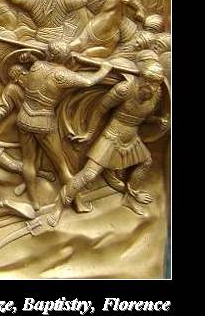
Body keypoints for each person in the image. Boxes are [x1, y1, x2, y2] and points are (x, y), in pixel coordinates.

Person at [51, 58, 167, 222]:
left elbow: (140, 117)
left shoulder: (156, 95)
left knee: (146, 162)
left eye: (155, 82)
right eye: (148, 80)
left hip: (131, 137)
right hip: (112, 136)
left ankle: (130, 196)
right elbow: (100, 110)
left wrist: (157, 121)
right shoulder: (124, 89)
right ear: (141, 77)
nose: (151, 86)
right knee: (89, 174)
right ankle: (60, 206)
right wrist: (90, 133)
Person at [4, 44, 112, 211]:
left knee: (28, 161)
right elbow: (88, 81)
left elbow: (42, 66)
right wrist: (104, 69)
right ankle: (77, 202)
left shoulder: (36, 65)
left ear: (49, 54)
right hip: (44, 122)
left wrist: (30, 57)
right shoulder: (62, 74)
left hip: (24, 118)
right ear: (63, 56)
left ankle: (34, 201)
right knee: (61, 166)